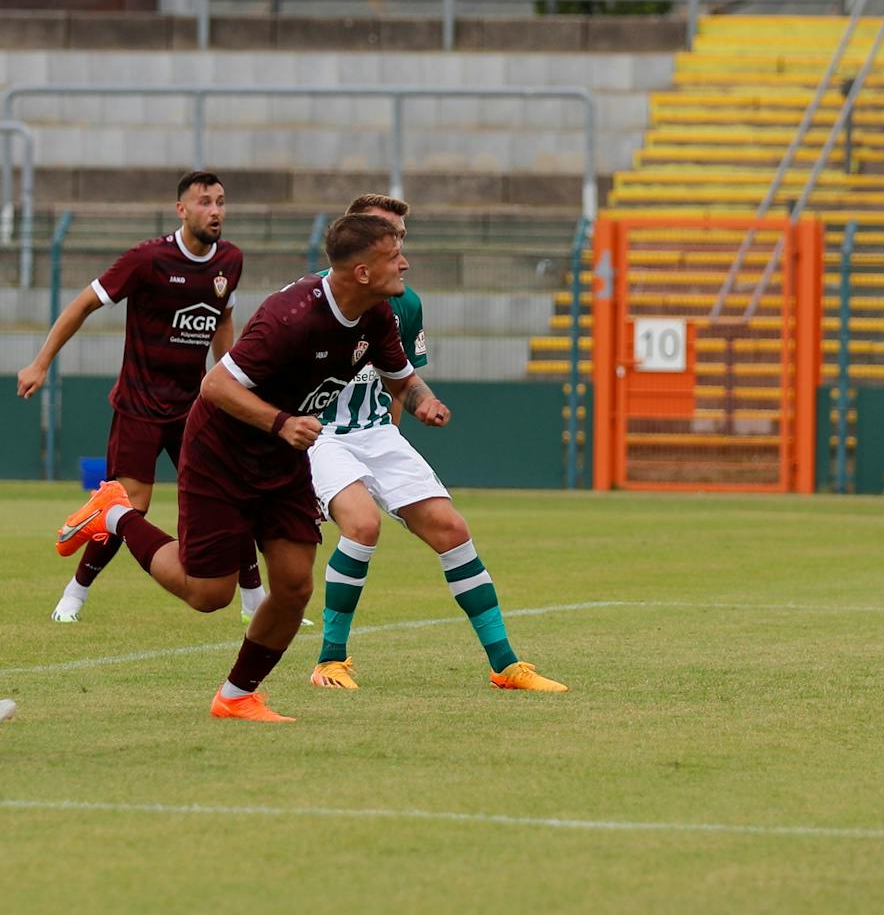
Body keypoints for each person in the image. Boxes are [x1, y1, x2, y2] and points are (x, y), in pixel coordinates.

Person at [53, 213, 450, 723]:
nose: (406, 262)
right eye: (394, 255)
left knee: (293, 585)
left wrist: (425, 402)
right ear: (363, 273)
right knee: (208, 594)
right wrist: (282, 421)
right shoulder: (291, 316)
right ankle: (114, 514)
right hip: (222, 452)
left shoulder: (376, 316)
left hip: (282, 458)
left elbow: (403, 380)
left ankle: (237, 696)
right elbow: (215, 386)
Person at [306, 194, 565, 694]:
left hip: (377, 433)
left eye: (402, 237)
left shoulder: (405, 303)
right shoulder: (307, 299)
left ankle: (505, 665)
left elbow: (399, 381)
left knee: (451, 529)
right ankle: (330, 660)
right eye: (388, 237)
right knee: (362, 525)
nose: (399, 250)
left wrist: (409, 423)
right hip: (320, 434)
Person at [17, 170, 269, 624]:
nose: (215, 211)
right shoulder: (147, 258)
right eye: (205, 202)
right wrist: (40, 363)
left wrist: (231, 386)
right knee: (129, 507)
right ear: (182, 210)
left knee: (232, 492)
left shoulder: (230, 259)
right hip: (139, 407)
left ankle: (254, 600)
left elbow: (222, 324)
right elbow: (82, 304)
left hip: (194, 407)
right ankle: (75, 594)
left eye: (221, 202)